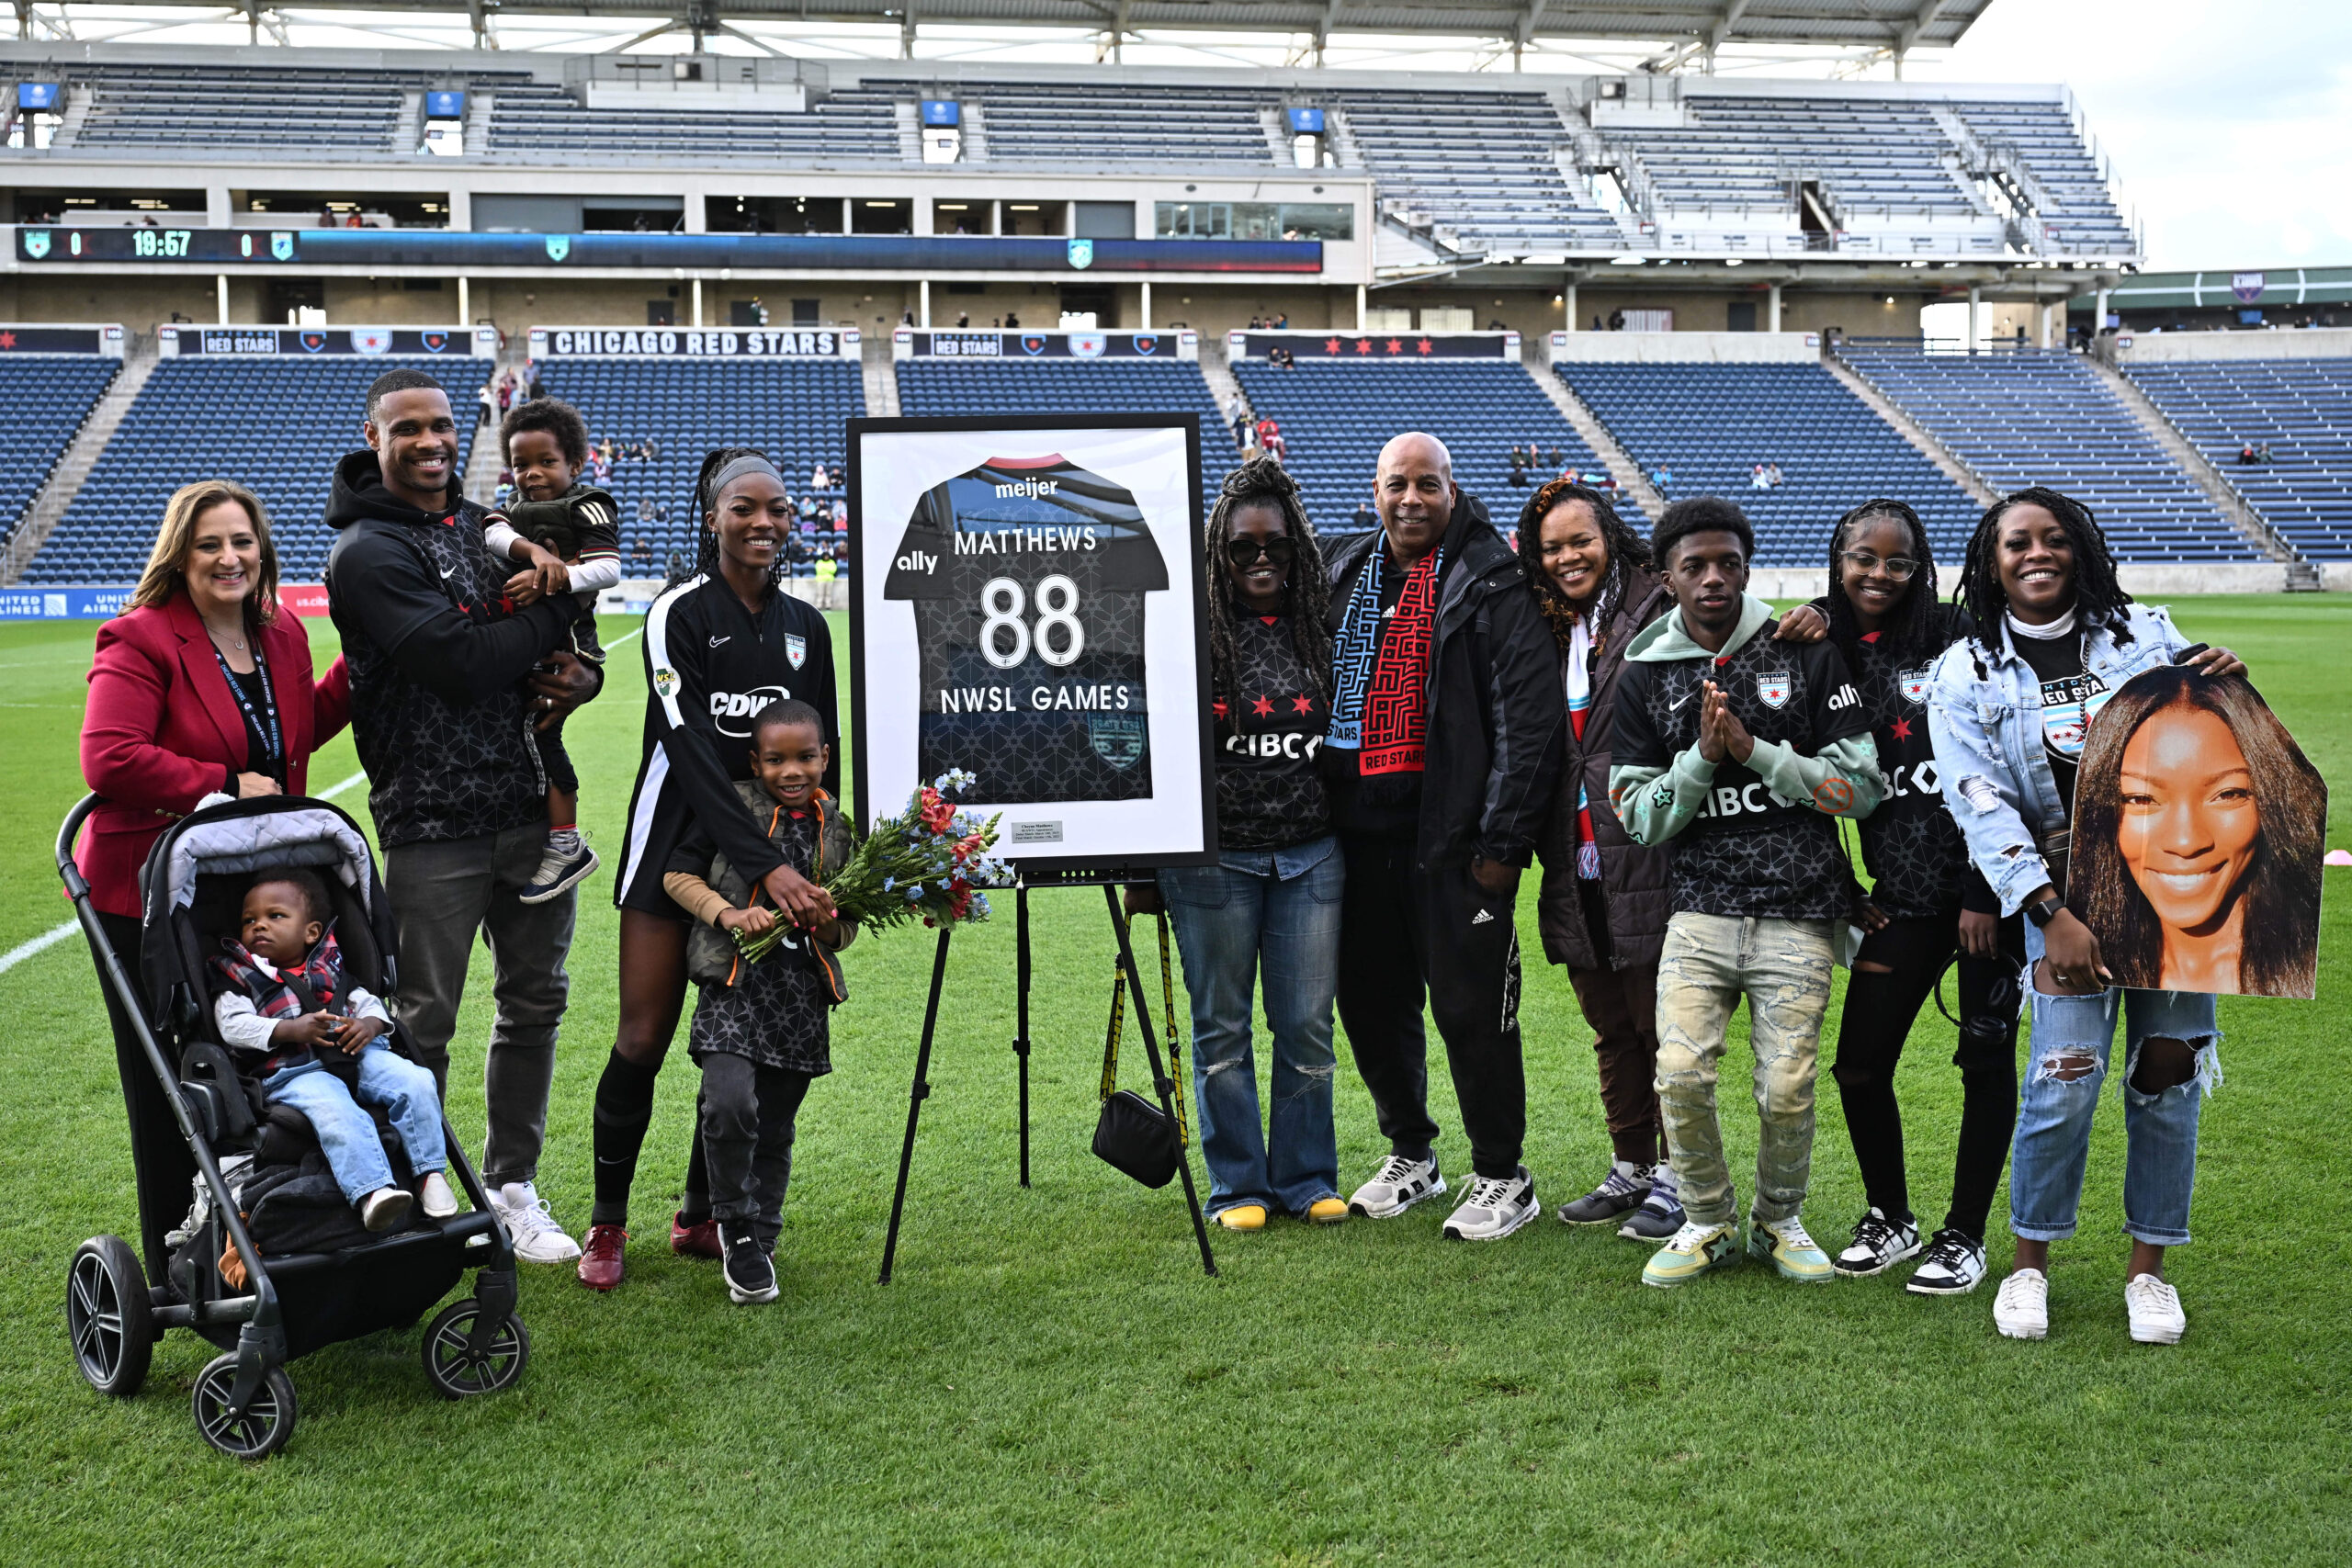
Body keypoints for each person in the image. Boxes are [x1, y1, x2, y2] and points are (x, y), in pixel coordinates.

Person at [1926, 485, 2245, 1344]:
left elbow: (2214, 747)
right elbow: (1980, 802)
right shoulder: (1968, 669)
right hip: (2057, 896)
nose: (2038, 553)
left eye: (2055, 539)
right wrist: (2047, 909)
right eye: (2017, 542)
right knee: (2063, 1080)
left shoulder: (2144, 634)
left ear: (2082, 550)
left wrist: (2230, 686)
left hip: (2174, 893)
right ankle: (2029, 1265)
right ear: (1989, 563)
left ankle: (2150, 1272)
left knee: (2168, 1079)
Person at [323, 368, 602, 1266]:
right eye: (409, 429)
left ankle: (511, 1188)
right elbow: (457, 663)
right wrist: (561, 601)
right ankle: (427, 1197)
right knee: (425, 1022)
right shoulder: (366, 550)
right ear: (375, 440)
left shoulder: (484, 523)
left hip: (527, 804)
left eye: (443, 425)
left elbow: (544, 654)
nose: (432, 441)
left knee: (534, 1005)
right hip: (431, 818)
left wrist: (582, 672)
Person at [1605, 496, 1883, 1289]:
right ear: (1667, 579)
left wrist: (1757, 752)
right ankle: (1706, 1219)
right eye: (1694, 565)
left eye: (1728, 562)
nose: (1714, 578)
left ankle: (1777, 1218)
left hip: (1799, 909)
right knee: (1681, 1077)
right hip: (1698, 912)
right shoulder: (1643, 673)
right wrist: (1700, 759)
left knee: (1788, 1086)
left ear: (1747, 567)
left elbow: (1861, 789)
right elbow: (1641, 820)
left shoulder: (1802, 648)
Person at [76, 479, 351, 1277]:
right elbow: (109, 756)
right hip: (147, 894)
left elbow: (298, 727)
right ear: (180, 555)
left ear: (262, 548)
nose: (230, 557)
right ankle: (176, 1251)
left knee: (262, 1062)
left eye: (242, 541)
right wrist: (221, 785)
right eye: (210, 544)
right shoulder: (141, 637)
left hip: (248, 889)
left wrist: (375, 661)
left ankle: (271, 1228)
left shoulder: (281, 634)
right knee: (172, 1078)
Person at [582, 448, 841, 1292]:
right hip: (675, 844)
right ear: (710, 515)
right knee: (645, 1036)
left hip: (771, 862)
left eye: (776, 508)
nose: (763, 522)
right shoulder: (678, 614)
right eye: (743, 508)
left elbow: (825, 760)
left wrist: (824, 863)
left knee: (752, 1038)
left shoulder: (809, 626)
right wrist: (769, 870)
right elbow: (691, 753)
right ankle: (608, 1223)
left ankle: (701, 1215)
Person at [1773, 500, 2025, 1294]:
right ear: (1836, 557)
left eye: (1898, 562)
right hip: (1901, 897)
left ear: (1921, 569)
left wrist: (1988, 889)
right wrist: (1843, 884)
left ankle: (1964, 1233)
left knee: (1983, 1059)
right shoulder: (1820, 649)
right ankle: (1891, 1215)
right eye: (1863, 558)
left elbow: (2005, 764)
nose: (1879, 574)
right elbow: (1806, 784)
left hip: (1990, 895)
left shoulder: (1959, 637)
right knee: (1858, 1066)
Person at [1325, 433, 1563, 1241]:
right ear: (1376, 488)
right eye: (1398, 484)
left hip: (1457, 847)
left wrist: (1501, 846)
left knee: (1473, 1013)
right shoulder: (1346, 571)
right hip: (1357, 844)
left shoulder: (1492, 579)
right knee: (1371, 1003)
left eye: (1428, 485)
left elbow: (1526, 722)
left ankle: (1502, 1172)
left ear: (1452, 492)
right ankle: (1411, 1152)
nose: (1412, 500)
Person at [1125, 459, 1345, 1231]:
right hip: (1214, 863)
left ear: (1299, 551)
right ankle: (1237, 1185)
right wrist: (1146, 868)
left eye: (1276, 548)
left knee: (1307, 1024)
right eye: (1244, 549)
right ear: (1217, 552)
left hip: (1312, 855)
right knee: (1221, 1025)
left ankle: (1307, 1175)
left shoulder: (1323, 626)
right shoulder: (1188, 632)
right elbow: (1147, 750)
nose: (1261, 561)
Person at [1515, 480, 1683, 1240]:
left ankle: (1683, 1177)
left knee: (1663, 1028)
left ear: (1609, 534)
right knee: (1611, 1026)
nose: (1567, 557)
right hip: (1574, 858)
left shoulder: (1657, 606)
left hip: (1648, 853)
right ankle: (1632, 1166)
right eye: (1551, 547)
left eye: (1579, 540)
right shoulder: (1545, 625)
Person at [662, 699, 854, 1303]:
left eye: (805, 757)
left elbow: (846, 926)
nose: (791, 771)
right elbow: (676, 875)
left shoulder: (838, 826)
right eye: (775, 759)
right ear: (755, 761)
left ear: (826, 757)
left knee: (774, 1126)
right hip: (733, 985)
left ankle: (760, 1240)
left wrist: (826, 922)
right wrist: (728, 913)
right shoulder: (733, 809)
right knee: (727, 1105)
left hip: (799, 997)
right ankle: (734, 1228)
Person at [209, 870, 458, 1232]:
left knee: (416, 1080)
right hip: (294, 1070)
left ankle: (429, 1174)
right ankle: (373, 1192)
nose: (259, 926)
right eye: (250, 920)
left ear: (311, 932)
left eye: (274, 916)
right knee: (336, 1109)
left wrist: (369, 1025)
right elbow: (231, 1025)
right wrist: (288, 1029)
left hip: (357, 1054)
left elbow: (365, 1001)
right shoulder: (237, 974)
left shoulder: (331, 965)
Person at [2069, 668, 2323, 996]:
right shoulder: (2084, 949)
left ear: (2275, 803)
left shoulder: (2300, 963)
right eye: (2142, 799)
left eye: (2228, 794)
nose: (2186, 842)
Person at [486, 397, 622, 904]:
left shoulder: (588, 504)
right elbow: (492, 530)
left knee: (543, 736)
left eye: (547, 462)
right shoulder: (513, 509)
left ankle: (566, 843)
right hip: (531, 646)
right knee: (528, 733)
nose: (532, 474)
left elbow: (608, 570)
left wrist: (556, 576)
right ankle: (547, 835)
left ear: (576, 465)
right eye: (521, 464)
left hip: (569, 649)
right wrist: (533, 551)